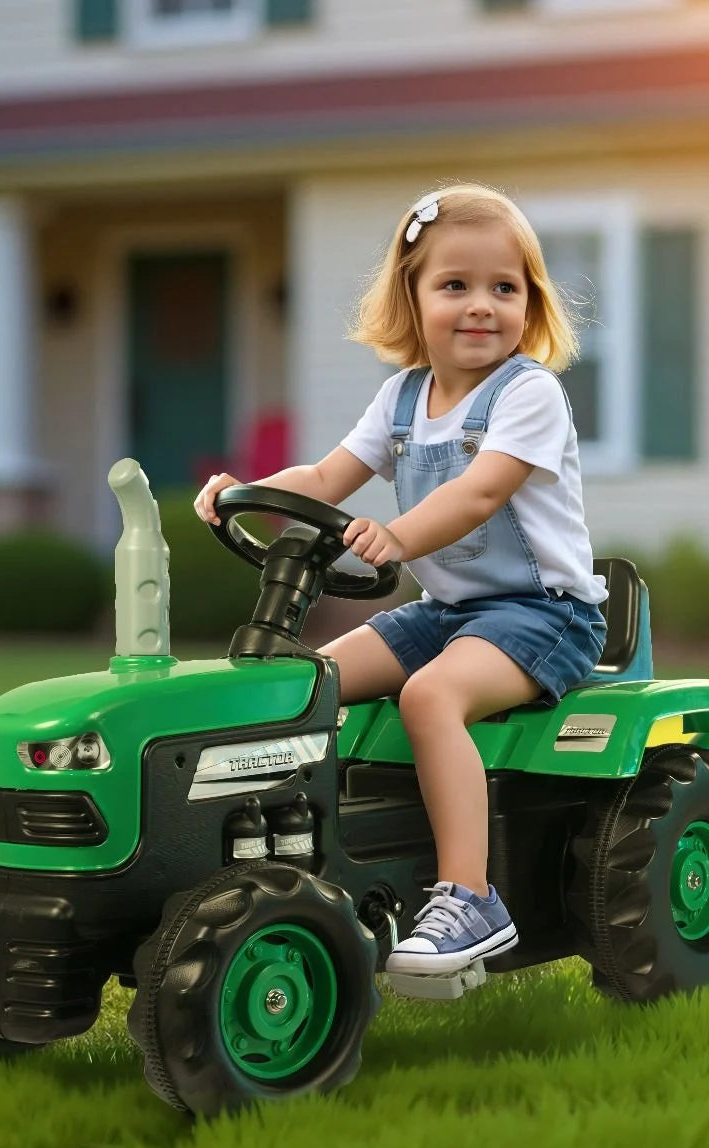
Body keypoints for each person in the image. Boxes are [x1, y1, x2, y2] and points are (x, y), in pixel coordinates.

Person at [194, 183, 608, 976]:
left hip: (542, 616)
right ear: (412, 297)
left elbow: (480, 492)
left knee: (429, 696)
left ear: (531, 302)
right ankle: (291, 854)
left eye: (504, 288)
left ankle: (470, 897)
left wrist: (396, 534)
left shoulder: (529, 394)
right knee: (302, 686)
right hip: (446, 612)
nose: (481, 305)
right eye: (455, 285)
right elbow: (323, 476)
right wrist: (244, 493)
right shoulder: (403, 398)